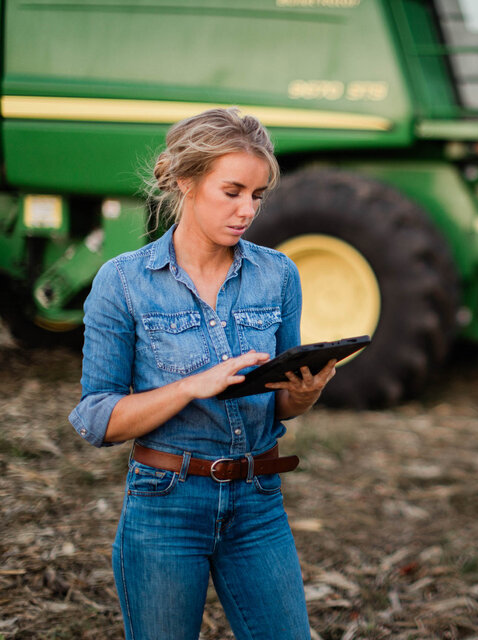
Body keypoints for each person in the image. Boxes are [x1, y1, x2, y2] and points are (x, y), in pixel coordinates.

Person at [69, 107, 334, 639]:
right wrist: (193, 385)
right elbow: (96, 418)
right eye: (232, 191)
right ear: (185, 181)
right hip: (166, 504)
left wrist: (302, 396)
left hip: (258, 503)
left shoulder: (278, 275)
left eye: (257, 196)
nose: (247, 210)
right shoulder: (123, 283)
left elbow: (276, 398)